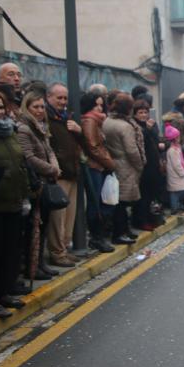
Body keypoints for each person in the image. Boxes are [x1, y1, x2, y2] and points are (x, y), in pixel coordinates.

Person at [17, 91, 62, 280]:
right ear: (27, 108)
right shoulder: (24, 129)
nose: (40, 110)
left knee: (43, 226)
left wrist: (55, 166)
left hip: (47, 180)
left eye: (42, 107)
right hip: (35, 183)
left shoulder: (42, 128)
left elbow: (49, 150)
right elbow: (29, 157)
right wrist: (50, 169)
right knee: (33, 229)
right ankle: (31, 266)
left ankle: (40, 263)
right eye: (35, 107)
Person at [0, 91, 30, 318]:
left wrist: (25, 194)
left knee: (9, 251)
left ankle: (3, 292)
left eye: (0, 107)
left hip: (14, 203)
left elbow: (21, 164)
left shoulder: (10, 133)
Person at [44, 83, 82, 267]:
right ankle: (57, 253)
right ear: (48, 97)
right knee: (57, 219)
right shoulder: (47, 119)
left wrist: (78, 131)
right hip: (59, 175)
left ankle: (64, 249)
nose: (62, 101)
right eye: (59, 97)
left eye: (65, 98)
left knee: (69, 217)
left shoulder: (67, 119)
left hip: (72, 172)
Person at [102, 93, 146, 245]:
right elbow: (131, 150)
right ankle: (119, 233)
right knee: (122, 202)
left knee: (118, 200)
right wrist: (140, 164)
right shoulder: (125, 126)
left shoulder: (107, 121)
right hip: (126, 165)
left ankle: (123, 230)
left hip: (113, 162)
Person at [80, 91, 116, 253]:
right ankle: (96, 237)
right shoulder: (89, 120)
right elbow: (93, 147)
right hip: (95, 166)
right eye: (96, 104)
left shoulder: (98, 120)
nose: (100, 108)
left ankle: (100, 236)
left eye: (102, 104)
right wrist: (110, 164)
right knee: (96, 204)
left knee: (105, 201)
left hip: (100, 166)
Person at [132, 98, 164, 230]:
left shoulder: (150, 125)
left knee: (153, 194)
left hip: (154, 165)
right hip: (144, 166)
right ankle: (142, 220)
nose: (144, 115)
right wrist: (148, 130)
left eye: (145, 112)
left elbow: (157, 141)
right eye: (140, 112)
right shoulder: (136, 127)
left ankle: (154, 217)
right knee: (143, 196)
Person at [164, 125, 184, 214]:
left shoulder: (176, 148)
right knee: (174, 191)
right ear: (174, 138)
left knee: (176, 190)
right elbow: (176, 164)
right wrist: (183, 173)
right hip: (175, 174)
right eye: (177, 136)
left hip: (177, 173)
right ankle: (174, 208)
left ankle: (177, 206)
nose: (179, 138)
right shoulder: (172, 150)